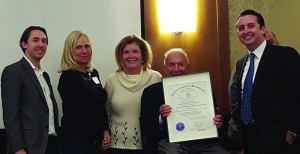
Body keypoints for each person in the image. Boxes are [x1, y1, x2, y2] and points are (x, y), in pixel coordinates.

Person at [231, 9, 300, 154]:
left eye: (251, 26)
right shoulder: (241, 63)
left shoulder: (285, 55)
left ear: (262, 29)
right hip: (250, 140)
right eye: (241, 28)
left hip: (280, 142)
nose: (246, 31)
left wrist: (292, 133)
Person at [140, 48, 228, 154]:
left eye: (181, 64)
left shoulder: (203, 87)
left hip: (203, 141)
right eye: (171, 65)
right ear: (165, 68)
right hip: (169, 142)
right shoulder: (151, 92)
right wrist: (161, 118)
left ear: (188, 66)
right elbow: (146, 128)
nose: (176, 69)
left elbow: (217, 123)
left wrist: (217, 122)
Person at [1, 26, 60, 154]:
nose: (41, 44)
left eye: (44, 41)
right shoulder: (13, 72)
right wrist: (18, 149)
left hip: (50, 143)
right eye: (35, 40)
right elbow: (10, 115)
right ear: (24, 44)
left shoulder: (45, 75)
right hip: (28, 147)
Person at [105, 35, 162, 154]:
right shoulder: (112, 80)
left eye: (135, 51)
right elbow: (106, 111)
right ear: (120, 57)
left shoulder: (156, 78)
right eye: (126, 52)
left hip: (150, 147)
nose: (131, 56)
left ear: (143, 55)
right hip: (117, 146)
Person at [227, 29, 281, 154]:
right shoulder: (243, 65)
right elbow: (234, 101)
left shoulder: (285, 64)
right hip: (246, 128)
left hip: (279, 130)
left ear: (278, 44)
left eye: (271, 42)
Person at [58, 30, 110, 154]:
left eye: (87, 46)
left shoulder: (94, 73)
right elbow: (75, 114)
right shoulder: (67, 77)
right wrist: (97, 134)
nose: (84, 51)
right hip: (77, 142)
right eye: (79, 47)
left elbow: (100, 106)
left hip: (97, 140)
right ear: (70, 51)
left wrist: (105, 130)